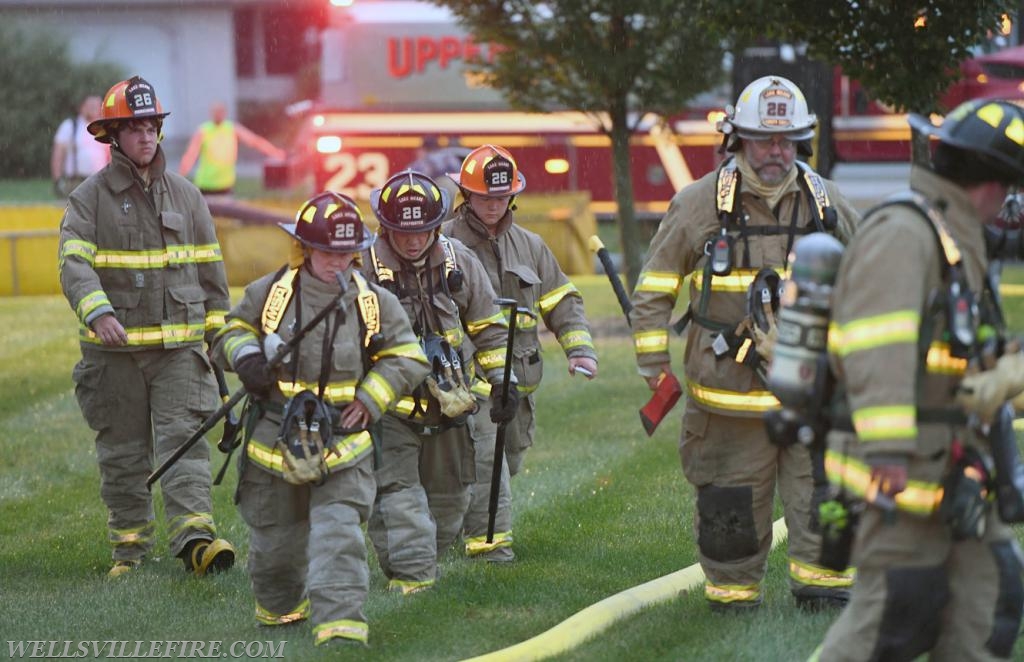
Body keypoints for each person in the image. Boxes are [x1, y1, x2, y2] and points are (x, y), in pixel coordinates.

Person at [629, 75, 860, 611]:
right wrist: (653, 366)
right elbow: (655, 289)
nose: (777, 152)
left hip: (812, 398)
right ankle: (734, 602)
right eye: (763, 139)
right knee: (729, 516)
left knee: (823, 505)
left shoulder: (827, 204)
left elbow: (871, 278)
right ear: (738, 141)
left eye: (787, 140)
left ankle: (823, 595)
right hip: (728, 407)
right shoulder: (699, 205)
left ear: (802, 141)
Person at [811, 100, 1024, 660]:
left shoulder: (956, 236)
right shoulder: (906, 232)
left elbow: (957, 346)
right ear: (991, 182)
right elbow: (875, 346)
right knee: (893, 617)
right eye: (1009, 188)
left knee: (991, 595)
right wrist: (887, 452)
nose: (1009, 204)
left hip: (956, 466)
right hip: (901, 471)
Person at [210, 192, 429, 647]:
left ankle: (342, 625)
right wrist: (247, 358)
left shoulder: (375, 304)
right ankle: (283, 609)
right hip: (275, 446)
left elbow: (408, 355)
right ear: (305, 249)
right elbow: (230, 331)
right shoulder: (271, 295)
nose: (338, 262)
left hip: (344, 446)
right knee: (276, 553)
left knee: (338, 531)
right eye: (328, 252)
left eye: (347, 253)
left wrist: (372, 398)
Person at [58, 75, 235, 578]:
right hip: (113, 356)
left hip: (179, 351)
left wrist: (218, 339)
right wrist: (98, 311)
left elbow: (211, 274)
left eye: (152, 126)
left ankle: (197, 541)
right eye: (135, 128)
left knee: (184, 442)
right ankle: (130, 549)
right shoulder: (88, 200)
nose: (146, 137)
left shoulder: (187, 196)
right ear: (112, 135)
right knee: (123, 452)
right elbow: (73, 262)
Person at [443, 144, 599, 563]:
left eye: (499, 198)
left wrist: (578, 349)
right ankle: (490, 545)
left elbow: (562, 299)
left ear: (511, 197)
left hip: (521, 384)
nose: (492, 206)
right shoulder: (444, 246)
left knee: (507, 461)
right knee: (484, 457)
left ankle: (456, 529)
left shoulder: (529, 246)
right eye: (483, 198)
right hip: (470, 381)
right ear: (466, 196)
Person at [362, 169, 514, 593]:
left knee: (449, 505)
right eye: (402, 232)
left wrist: (503, 382)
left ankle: (425, 553)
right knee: (399, 497)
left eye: (424, 231)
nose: (413, 241)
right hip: (389, 410)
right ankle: (411, 576)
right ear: (385, 226)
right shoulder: (363, 272)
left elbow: (488, 327)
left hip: (450, 405)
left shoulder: (458, 260)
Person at [178, 101, 286, 196]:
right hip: (206, 185)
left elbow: (255, 141)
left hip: (226, 185)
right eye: (215, 111)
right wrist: (180, 178)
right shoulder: (203, 131)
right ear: (211, 113)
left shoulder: (232, 129)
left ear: (224, 113)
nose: (218, 114)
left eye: (220, 111)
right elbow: (190, 155)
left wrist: (275, 152)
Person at [51, 94, 109, 197]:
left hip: (102, 182)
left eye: (97, 106)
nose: (94, 109)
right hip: (75, 183)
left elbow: (111, 156)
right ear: (82, 107)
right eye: (91, 105)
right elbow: (58, 154)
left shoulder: (106, 128)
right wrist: (58, 180)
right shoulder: (70, 126)